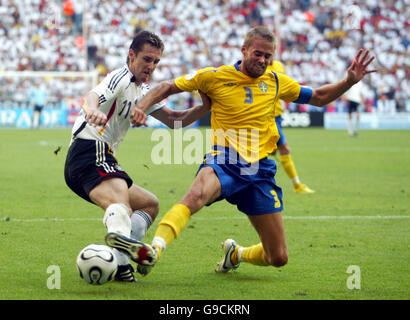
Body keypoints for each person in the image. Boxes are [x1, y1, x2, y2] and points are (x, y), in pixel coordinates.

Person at [130, 26, 376, 276]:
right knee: (195, 196)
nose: (263, 60)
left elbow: (319, 97)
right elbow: (166, 87)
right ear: (244, 50)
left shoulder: (276, 81)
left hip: (260, 169)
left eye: (268, 56)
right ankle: (155, 250)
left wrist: (349, 81)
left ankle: (235, 254)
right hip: (224, 160)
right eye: (258, 53)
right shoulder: (213, 76)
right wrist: (141, 107)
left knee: (278, 257)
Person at [64, 30, 210, 282]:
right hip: (89, 148)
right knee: (120, 203)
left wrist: (205, 108)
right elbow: (91, 96)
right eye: (147, 59)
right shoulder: (120, 77)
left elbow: (175, 121)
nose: (151, 66)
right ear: (131, 55)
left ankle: (122, 251)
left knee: (148, 205)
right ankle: (121, 261)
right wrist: (92, 110)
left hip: (99, 158)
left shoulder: (144, 91)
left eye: (156, 62)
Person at [268, 60, 314, 193]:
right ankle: (297, 185)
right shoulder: (260, 69)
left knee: (271, 150)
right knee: (284, 149)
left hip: (278, 115)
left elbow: (285, 89)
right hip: (267, 117)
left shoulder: (279, 66)